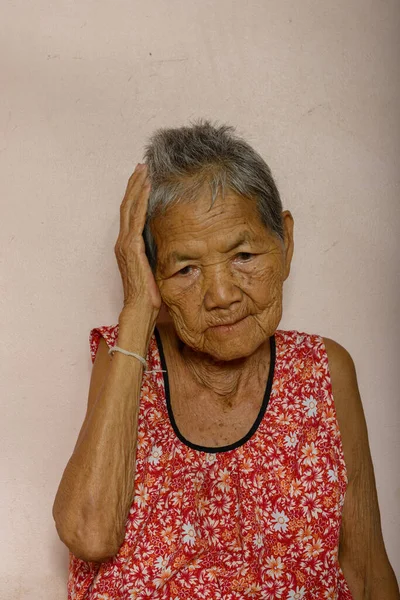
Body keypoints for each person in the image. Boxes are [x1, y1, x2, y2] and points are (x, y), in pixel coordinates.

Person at [53, 121, 399, 600]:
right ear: (151, 274)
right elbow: (90, 535)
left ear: (287, 243)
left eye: (243, 255)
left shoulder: (325, 371)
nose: (220, 295)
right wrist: (136, 311)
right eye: (185, 268)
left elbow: (364, 568)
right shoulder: (128, 360)